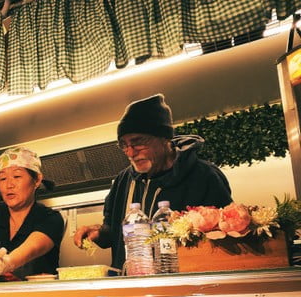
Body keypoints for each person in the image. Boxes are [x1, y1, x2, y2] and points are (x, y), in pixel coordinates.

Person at [72, 93, 233, 270]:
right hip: (132, 285)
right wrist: (99, 233)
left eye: (138, 142)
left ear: (164, 138)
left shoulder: (204, 176)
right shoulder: (123, 181)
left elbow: (226, 240)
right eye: (124, 145)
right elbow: (113, 231)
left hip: (186, 286)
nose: (130, 152)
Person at [0, 146, 65, 281]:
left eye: (17, 176)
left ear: (37, 180)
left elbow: (32, 248)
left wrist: (6, 264)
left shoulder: (51, 218)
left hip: (37, 296)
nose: (9, 185)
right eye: (3, 178)